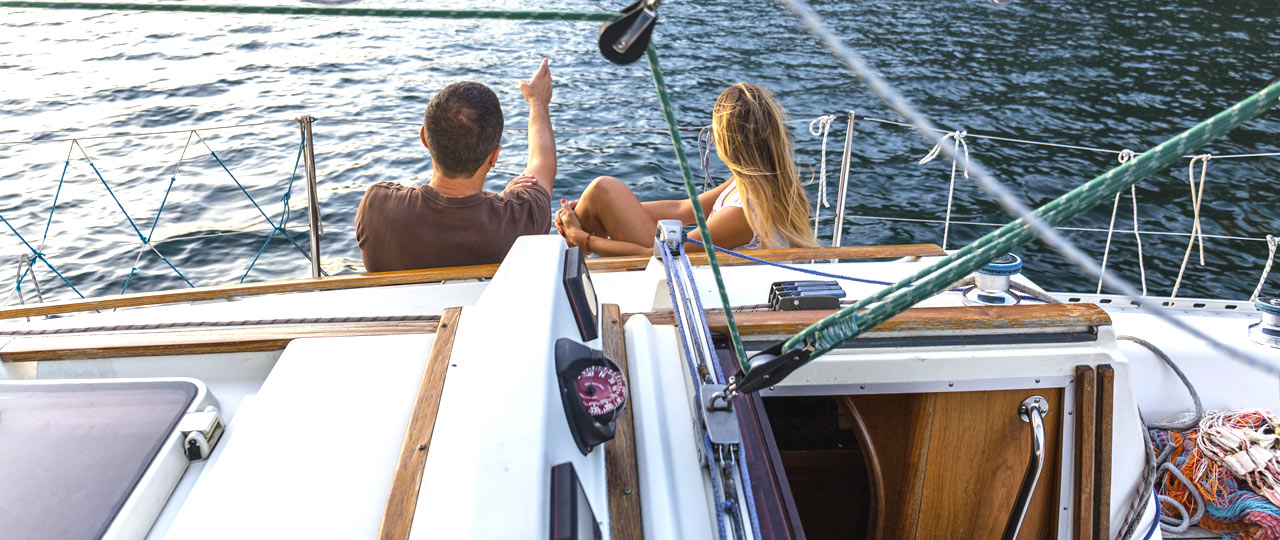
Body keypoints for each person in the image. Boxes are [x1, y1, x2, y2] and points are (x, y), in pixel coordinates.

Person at [554, 82, 817, 257]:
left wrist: (583, 238)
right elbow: (682, 210)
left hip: (700, 285)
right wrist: (602, 209)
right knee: (601, 193)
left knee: (604, 188)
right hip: (697, 273)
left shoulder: (745, 213)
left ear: (727, 141)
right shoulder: (751, 183)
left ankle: (582, 262)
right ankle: (583, 261)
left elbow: (664, 255)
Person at [355, 59, 556, 271]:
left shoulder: (376, 206)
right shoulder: (520, 218)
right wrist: (537, 102)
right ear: (494, 156)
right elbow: (543, 164)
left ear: (425, 138)